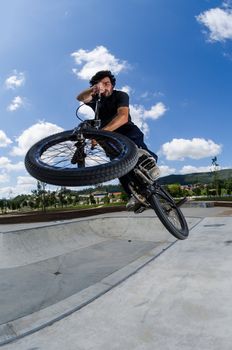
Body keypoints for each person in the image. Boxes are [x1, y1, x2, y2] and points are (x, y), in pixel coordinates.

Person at [76, 70, 160, 212]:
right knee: (118, 167)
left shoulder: (120, 95)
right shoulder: (96, 101)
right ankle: (134, 196)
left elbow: (123, 117)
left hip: (127, 131)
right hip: (110, 139)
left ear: (112, 86)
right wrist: (94, 88)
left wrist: (101, 134)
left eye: (107, 84)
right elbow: (80, 97)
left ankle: (149, 162)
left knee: (139, 153)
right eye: (100, 84)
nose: (104, 87)